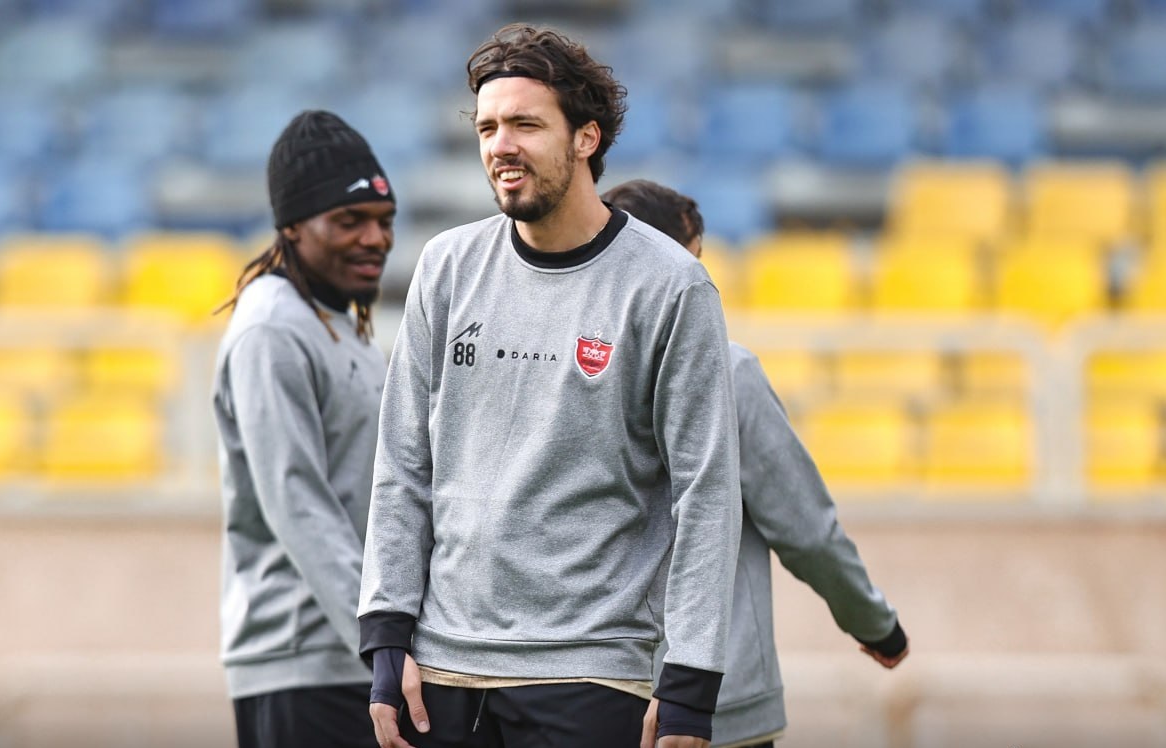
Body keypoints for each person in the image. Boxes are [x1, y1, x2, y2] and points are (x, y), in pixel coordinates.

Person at [357, 23, 743, 748]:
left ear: (585, 138)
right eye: (488, 128)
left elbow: (706, 491)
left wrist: (690, 680)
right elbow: (402, 461)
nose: (500, 145)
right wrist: (386, 633)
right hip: (440, 671)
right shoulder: (445, 266)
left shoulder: (670, 285)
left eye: (525, 125)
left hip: (590, 673)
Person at [602, 179, 909, 748]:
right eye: (693, 260)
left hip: (579, 688)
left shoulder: (564, 369)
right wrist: (875, 624)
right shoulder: (728, 374)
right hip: (715, 704)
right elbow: (806, 530)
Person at [212, 110, 397, 748]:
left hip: (353, 659)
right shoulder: (272, 329)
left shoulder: (339, 322)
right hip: (306, 664)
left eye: (384, 221)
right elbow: (298, 502)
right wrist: (381, 643)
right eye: (349, 221)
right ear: (292, 224)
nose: (375, 238)